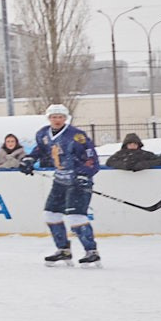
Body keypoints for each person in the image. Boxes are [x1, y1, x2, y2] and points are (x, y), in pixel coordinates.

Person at [28, 103, 102, 265]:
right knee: (50, 214)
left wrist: (84, 175)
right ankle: (63, 250)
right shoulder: (42, 134)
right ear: (49, 118)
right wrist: (29, 159)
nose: (57, 120)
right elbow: (40, 150)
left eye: (60, 117)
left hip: (78, 182)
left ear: (65, 118)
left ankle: (91, 251)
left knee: (76, 216)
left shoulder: (77, 136)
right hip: (60, 180)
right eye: (53, 117)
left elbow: (91, 158)